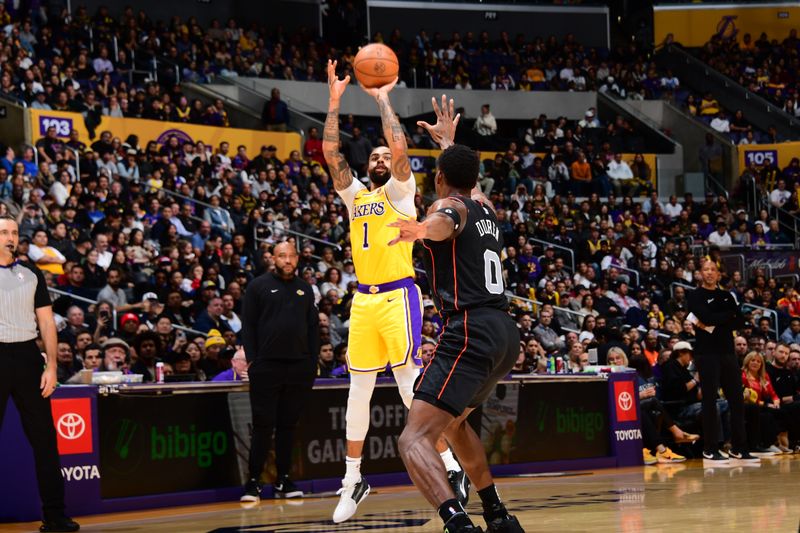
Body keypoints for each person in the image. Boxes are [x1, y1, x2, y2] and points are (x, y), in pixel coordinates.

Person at [323, 63, 466, 523]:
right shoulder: (356, 196)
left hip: (398, 295)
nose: (383, 158)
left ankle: (448, 464)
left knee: (408, 388)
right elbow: (330, 153)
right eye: (377, 157)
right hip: (363, 300)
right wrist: (334, 101)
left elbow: (400, 145)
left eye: (387, 156)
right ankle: (353, 479)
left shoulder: (402, 192)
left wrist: (382, 97)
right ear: (368, 164)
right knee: (357, 392)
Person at [388, 98, 522, 532]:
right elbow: (466, 191)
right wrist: (449, 141)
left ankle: (457, 524)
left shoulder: (450, 208)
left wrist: (422, 229)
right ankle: (498, 514)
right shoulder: (487, 207)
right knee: (456, 424)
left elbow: (447, 218)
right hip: (504, 333)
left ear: (439, 177)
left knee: (413, 438)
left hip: (470, 330)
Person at [0, 215, 79, 532]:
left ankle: (55, 515)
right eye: (4, 232)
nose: (10, 237)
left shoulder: (32, 273)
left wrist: (51, 365)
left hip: (28, 357)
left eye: (14, 232)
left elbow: (47, 323)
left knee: (46, 440)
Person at [239, 242, 319, 502]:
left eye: (291, 256)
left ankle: (284, 479)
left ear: (297, 259)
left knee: (288, 426)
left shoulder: (305, 290)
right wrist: (252, 362)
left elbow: (312, 329)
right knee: (263, 425)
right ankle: (254, 482)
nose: (287, 260)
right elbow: (248, 326)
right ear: (272, 258)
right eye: (281, 256)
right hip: (266, 366)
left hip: (298, 367)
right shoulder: (257, 286)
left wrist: (312, 361)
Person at [687, 259, 760, 466]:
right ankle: (710, 449)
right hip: (706, 353)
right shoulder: (695, 295)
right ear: (700, 273)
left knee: (737, 400)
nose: (709, 273)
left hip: (728, 352)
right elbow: (708, 317)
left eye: (713, 270)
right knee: (710, 401)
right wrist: (724, 317)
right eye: (705, 269)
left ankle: (739, 448)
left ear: (718, 274)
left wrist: (716, 320)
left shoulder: (727, 295)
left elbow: (739, 321)